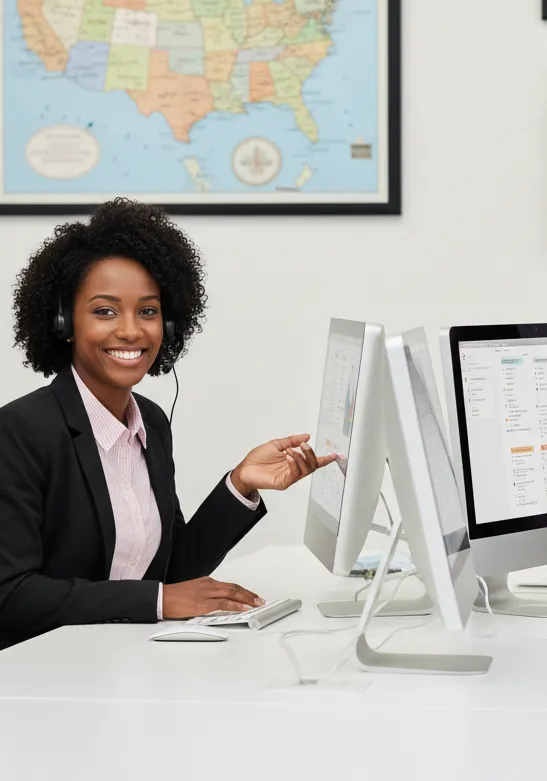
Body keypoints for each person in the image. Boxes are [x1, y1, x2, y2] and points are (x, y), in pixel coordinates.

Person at [0, 198, 335, 649]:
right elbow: (12, 595)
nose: (131, 331)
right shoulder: (20, 431)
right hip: (39, 675)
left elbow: (172, 572)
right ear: (64, 322)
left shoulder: (150, 423)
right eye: (104, 311)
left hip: (119, 663)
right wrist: (158, 601)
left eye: (148, 311)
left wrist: (241, 485)